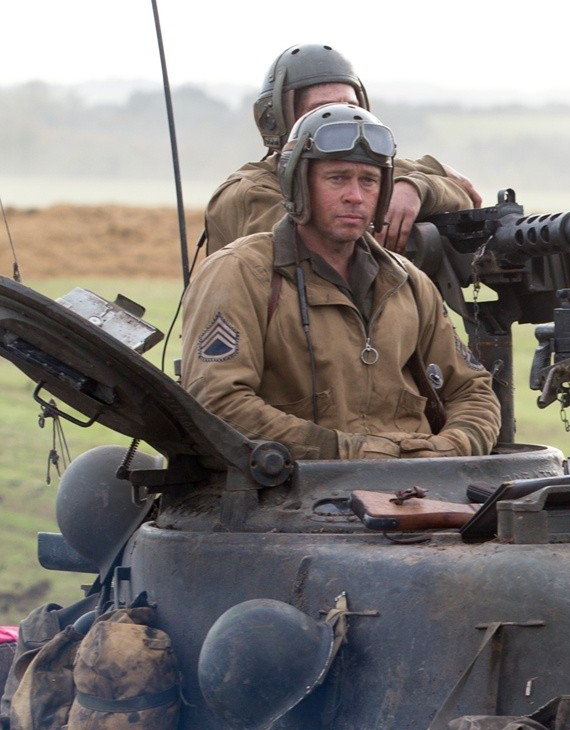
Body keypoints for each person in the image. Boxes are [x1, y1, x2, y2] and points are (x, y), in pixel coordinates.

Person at [181, 103, 499, 461]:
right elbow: (217, 401)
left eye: (369, 181)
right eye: (337, 178)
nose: (355, 196)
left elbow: (472, 390)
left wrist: (451, 447)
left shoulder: (407, 282)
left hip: (419, 491)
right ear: (298, 185)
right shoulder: (241, 273)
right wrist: (345, 451)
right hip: (295, 495)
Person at [203, 43, 481, 256]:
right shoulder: (248, 192)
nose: (342, 119)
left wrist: (417, 187)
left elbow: (466, 197)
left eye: (351, 107)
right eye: (322, 111)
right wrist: (425, 178)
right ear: (278, 119)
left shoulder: (376, 174)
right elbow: (324, 244)